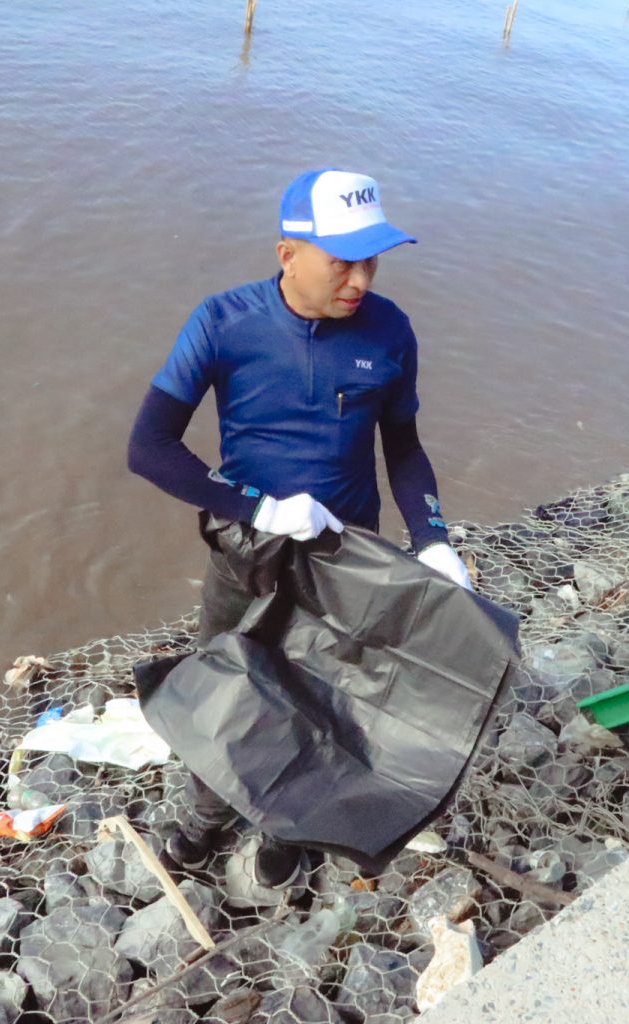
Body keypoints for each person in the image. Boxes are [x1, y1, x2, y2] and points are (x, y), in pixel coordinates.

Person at [127, 168, 472, 891]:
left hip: (347, 562)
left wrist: (432, 537)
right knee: (229, 689)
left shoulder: (390, 330)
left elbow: (402, 447)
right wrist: (258, 509)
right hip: (248, 553)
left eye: (371, 260)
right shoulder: (223, 323)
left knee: (322, 697)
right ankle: (202, 819)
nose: (360, 279)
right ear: (289, 254)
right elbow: (149, 446)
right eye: (341, 261)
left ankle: (288, 827)